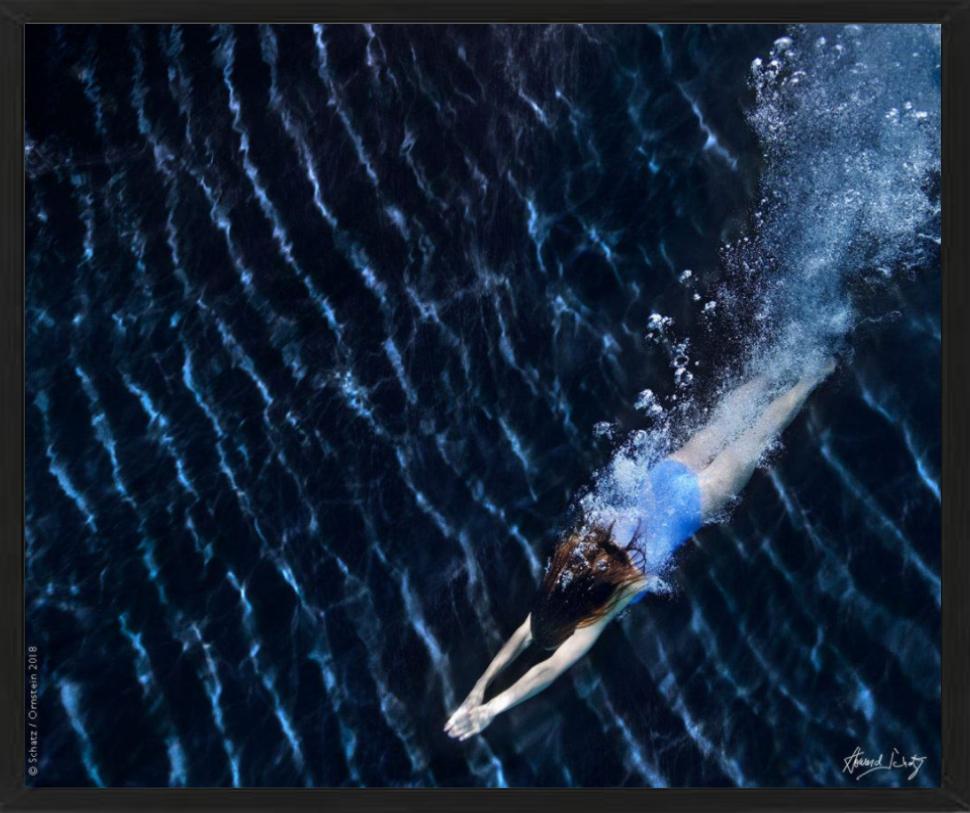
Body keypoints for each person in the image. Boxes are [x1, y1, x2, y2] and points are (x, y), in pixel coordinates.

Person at [444, 358, 835, 741]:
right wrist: (478, 691)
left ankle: (816, 372)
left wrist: (492, 709)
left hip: (695, 502)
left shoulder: (609, 602)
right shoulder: (568, 564)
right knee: (721, 423)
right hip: (665, 474)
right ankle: (780, 361)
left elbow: (548, 668)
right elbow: (523, 635)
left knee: (762, 431)